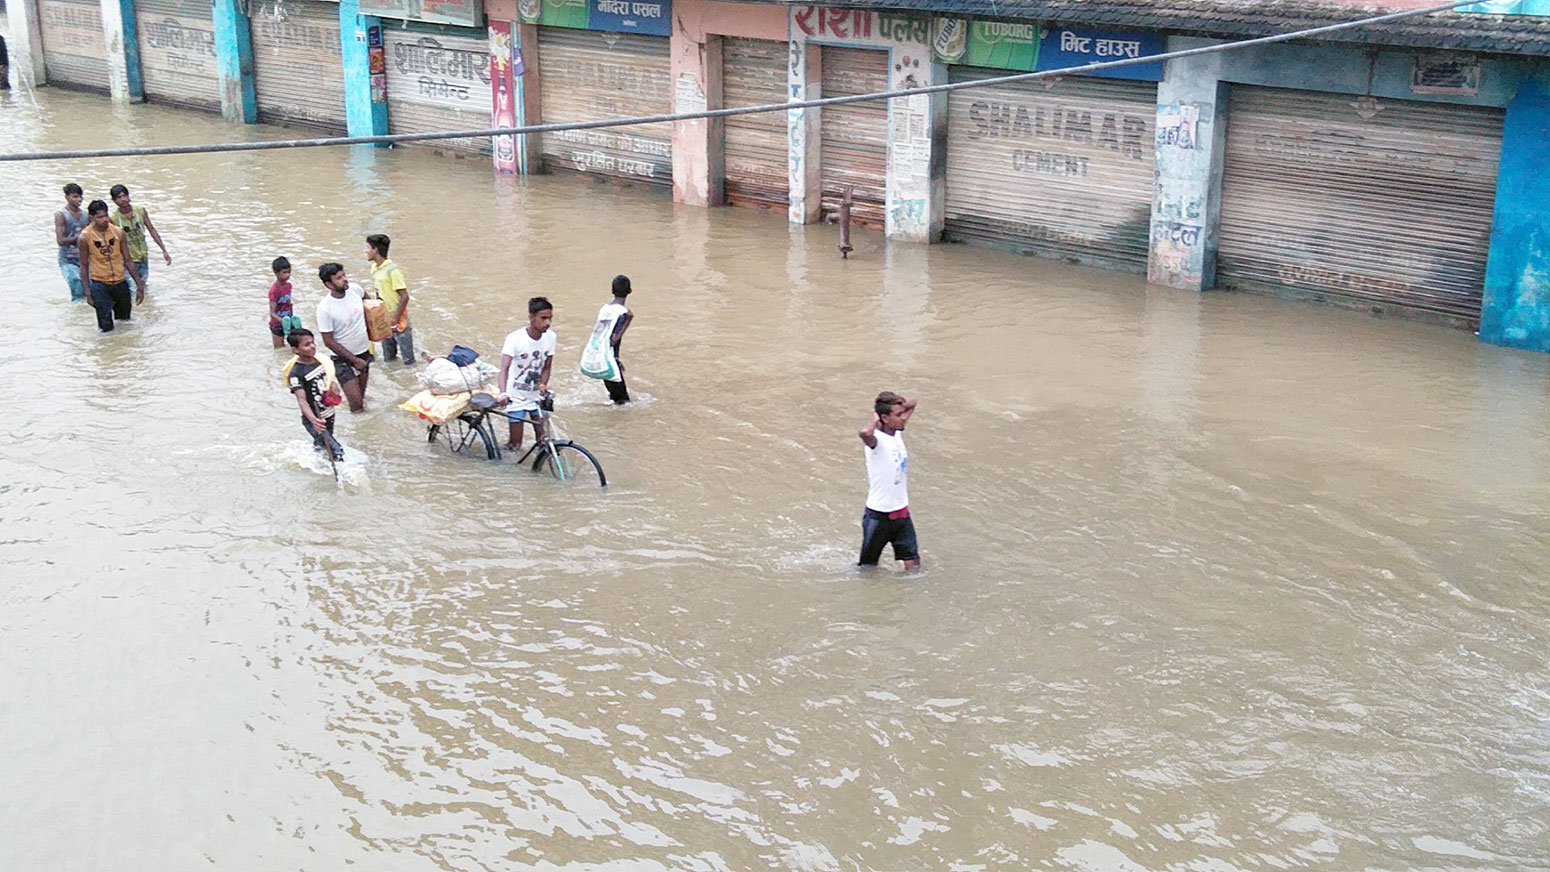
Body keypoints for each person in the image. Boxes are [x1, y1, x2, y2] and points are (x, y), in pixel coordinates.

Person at [858, 391, 920, 570]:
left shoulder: (897, 434)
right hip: (879, 517)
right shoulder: (876, 442)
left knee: (914, 566)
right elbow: (864, 432)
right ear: (884, 418)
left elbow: (913, 401)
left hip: (902, 514)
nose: (904, 418)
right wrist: (874, 418)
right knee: (867, 568)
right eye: (898, 415)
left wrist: (896, 403)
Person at [498, 296, 556, 451]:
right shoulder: (515, 339)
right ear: (532, 317)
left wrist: (543, 384)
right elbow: (504, 369)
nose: (547, 323)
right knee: (515, 444)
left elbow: (547, 366)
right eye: (543, 318)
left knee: (544, 441)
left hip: (536, 395)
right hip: (515, 397)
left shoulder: (551, 337)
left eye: (550, 318)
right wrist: (503, 393)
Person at [315, 262, 373, 412]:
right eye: (339, 278)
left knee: (361, 396)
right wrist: (354, 360)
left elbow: (371, 306)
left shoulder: (355, 290)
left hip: (364, 352)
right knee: (356, 404)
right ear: (329, 284)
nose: (345, 279)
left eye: (344, 275)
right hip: (343, 360)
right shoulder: (325, 308)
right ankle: (360, 432)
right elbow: (328, 341)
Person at [283, 329, 345, 461]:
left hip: (328, 414)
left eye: (313, 343)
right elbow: (302, 401)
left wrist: (334, 389)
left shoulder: (320, 362)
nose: (312, 347)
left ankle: (317, 465)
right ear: (295, 350)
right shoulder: (296, 373)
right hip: (314, 419)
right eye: (306, 345)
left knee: (322, 445)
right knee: (336, 450)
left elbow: (329, 383)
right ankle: (342, 477)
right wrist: (313, 420)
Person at [78, 199, 139, 332]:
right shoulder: (85, 237)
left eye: (106, 215)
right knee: (106, 327)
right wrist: (87, 292)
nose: (104, 219)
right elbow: (83, 265)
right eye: (100, 217)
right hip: (100, 284)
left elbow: (128, 260)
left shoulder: (118, 232)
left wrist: (139, 286)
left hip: (120, 282)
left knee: (125, 323)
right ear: (92, 217)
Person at [109, 184, 171, 296]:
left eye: (124, 195)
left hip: (143, 256)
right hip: (127, 260)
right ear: (114, 201)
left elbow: (151, 229)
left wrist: (164, 250)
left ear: (128, 196)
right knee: (133, 289)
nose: (123, 199)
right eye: (119, 197)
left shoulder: (140, 211)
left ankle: (144, 310)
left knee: (142, 286)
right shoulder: (113, 218)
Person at [366, 234, 414, 366]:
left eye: (368, 247)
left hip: (398, 320)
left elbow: (404, 296)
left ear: (375, 250)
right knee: (389, 358)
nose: (366, 251)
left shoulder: (392, 270)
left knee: (408, 360)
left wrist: (395, 318)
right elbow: (378, 292)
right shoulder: (374, 268)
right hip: (384, 318)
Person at [597, 275, 634, 404]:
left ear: (612, 291)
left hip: (601, 357)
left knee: (615, 398)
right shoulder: (622, 313)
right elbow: (613, 340)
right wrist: (627, 322)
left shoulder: (605, 309)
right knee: (623, 402)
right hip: (609, 360)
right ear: (630, 291)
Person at [55, 183, 89, 302]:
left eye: (80, 196)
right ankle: (76, 314)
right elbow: (60, 240)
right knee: (76, 283)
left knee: (88, 290)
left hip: (84, 259)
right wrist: (80, 237)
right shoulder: (62, 215)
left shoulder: (85, 215)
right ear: (67, 197)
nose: (79, 200)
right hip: (68, 259)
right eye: (75, 197)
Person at [267, 257, 297, 348]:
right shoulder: (274, 291)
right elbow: (272, 313)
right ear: (276, 273)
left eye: (289, 272)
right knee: (279, 348)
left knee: (294, 347)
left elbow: (288, 304)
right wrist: (283, 321)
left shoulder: (288, 286)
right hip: (277, 324)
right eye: (284, 273)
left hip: (289, 320)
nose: (287, 275)